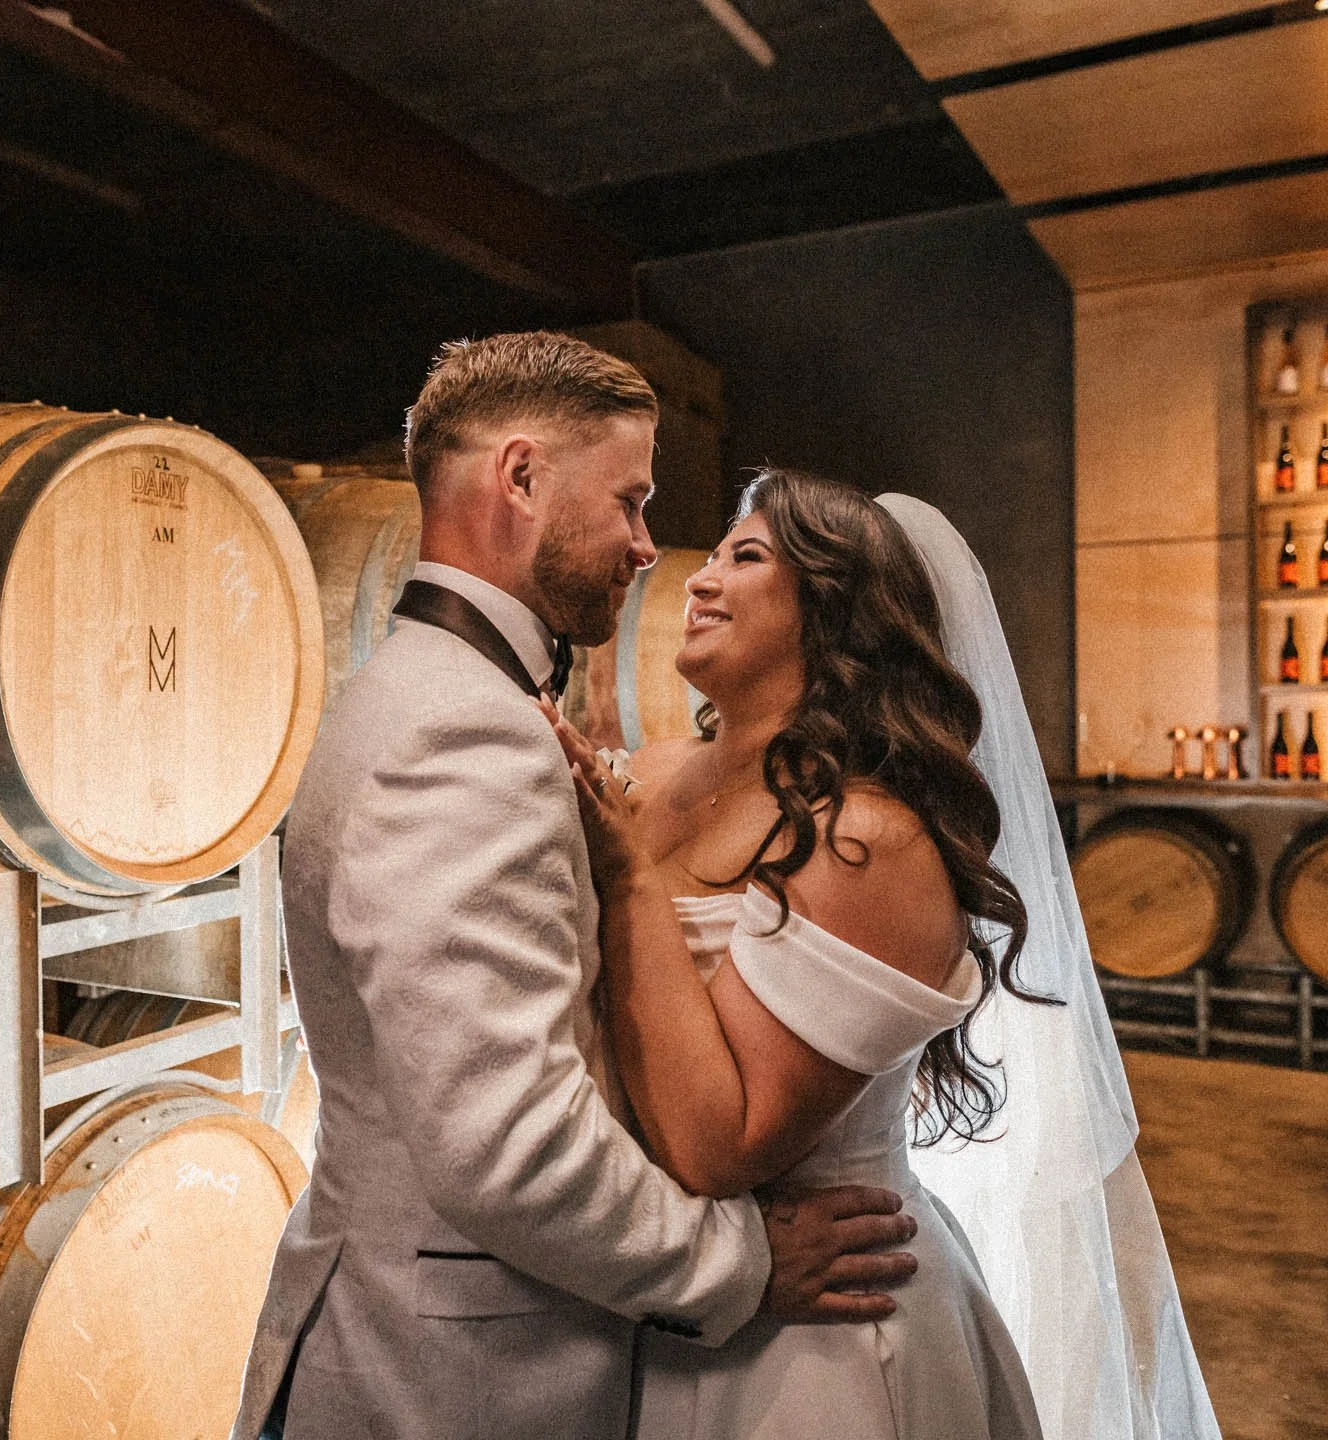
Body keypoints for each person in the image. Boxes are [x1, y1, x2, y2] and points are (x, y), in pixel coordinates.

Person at [231, 338, 919, 1440]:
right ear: (520, 480)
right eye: (632, 502)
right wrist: (739, 1262)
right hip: (453, 1381)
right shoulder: (460, 731)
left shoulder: (447, 694)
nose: (654, 549)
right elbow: (512, 1147)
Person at [545, 471, 1221, 1440]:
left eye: (747, 557)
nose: (697, 579)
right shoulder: (647, 778)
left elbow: (717, 1146)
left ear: (835, 616)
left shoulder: (867, 842)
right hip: (657, 1292)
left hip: (816, 1339)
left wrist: (633, 881)